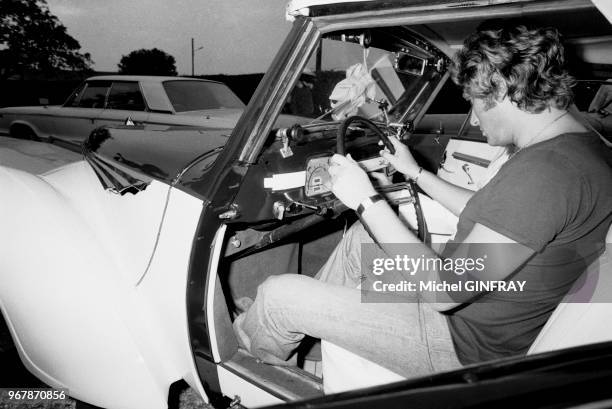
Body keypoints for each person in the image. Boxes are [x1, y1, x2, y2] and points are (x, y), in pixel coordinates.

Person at [233, 25, 612, 377]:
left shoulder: (547, 172)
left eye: (474, 102)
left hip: (463, 343)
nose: (475, 119)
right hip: (489, 313)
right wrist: (415, 173)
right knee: (359, 243)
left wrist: (366, 200)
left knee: (277, 295)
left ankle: (257, 356)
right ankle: (311, 342)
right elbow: (490, 212)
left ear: (499, 88)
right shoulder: (578, 147)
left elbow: (443, 292)